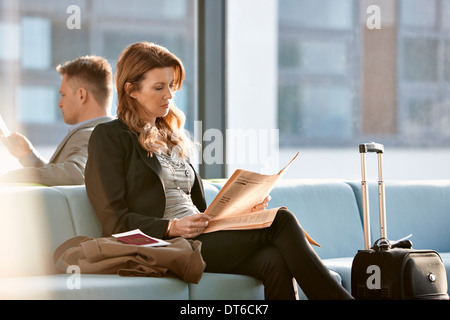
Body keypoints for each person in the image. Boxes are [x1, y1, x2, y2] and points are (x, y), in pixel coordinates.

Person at [85, 41, 353, 300]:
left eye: (171, 86)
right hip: (168, 246)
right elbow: (114, 223)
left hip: (201, 237)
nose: (169, 95)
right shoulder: (110, 136)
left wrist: (243, 213)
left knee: (273, 259)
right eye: (158, 87)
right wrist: (171, 227)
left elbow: (199, 210)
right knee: (281, 221)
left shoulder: (170, 136)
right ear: (131, 89)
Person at [0, 55, 113, 186]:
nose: (59, 103)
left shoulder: (91, 134)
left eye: (63, 95)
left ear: (82, 95)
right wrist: (28, 156)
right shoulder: (107, 133)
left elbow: (75, 174)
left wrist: (10, 176)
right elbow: (61, 179)